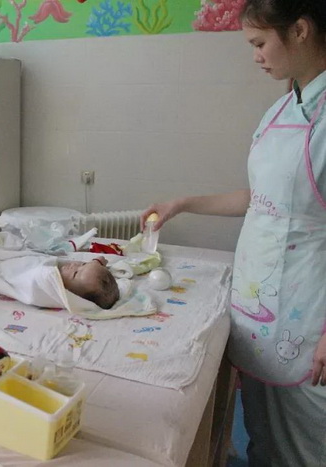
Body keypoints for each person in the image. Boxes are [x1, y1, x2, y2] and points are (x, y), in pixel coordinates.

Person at [141, 1, 326, 464]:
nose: (256, 56)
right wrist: (183, 203)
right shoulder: (283, 109)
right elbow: (263, 199)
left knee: (306, 444)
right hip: (263, 308)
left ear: (300, 30)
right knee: (265, 436)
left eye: (260, 43)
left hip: (310, 317)